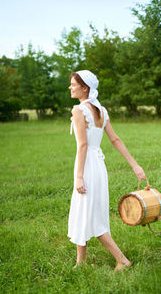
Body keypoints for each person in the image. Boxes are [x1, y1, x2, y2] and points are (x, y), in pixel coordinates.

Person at [67, 70, 146, 271]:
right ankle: (80, 262)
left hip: (86, 166)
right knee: (83, 210)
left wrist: (79, 177)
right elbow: (115, 140)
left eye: (73, 84)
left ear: (84, 88)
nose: (70, 87)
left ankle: (122, 260)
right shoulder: (101, 110)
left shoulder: (78, 110)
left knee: (92, 215)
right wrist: (135, 165)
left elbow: (83, 145)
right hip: (98, 166)